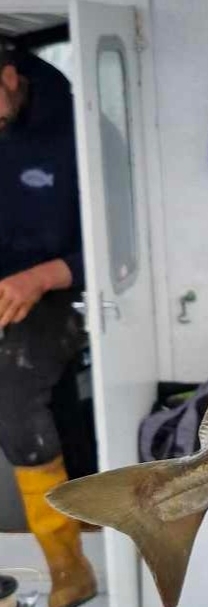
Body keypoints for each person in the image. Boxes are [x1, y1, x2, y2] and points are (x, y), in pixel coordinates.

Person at [0, 45, 97, 607]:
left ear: (10, 75)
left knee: (14, 397)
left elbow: (115, 245)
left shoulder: (78, 127)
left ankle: (69, 567)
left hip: (68, 293)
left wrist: (39, 278)